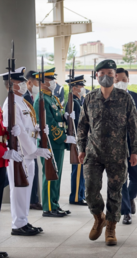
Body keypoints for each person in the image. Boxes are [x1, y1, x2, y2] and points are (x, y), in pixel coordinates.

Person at [77, 59, 137, 246]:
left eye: (110, 74)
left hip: (117, 154)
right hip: (93, 154)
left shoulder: (124, 98)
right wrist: (81, 148)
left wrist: (135, 151)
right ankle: (99, 217)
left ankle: (111, 227)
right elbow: (82, 125)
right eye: (102, 73)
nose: (106, 77)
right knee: (89, 190)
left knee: (115, 193)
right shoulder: (89, 98)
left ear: (115, 76)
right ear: (96, 76)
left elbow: (134, 127)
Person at [2, 66, 51, 235]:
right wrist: (34, 150)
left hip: (28, 151)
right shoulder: (11, 103)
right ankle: (18, 225)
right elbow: (18, 131)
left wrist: (39, 132)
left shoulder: (22, 101)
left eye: (23, 82)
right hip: (20, 152)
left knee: (26, 188)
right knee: (19, 189)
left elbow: (28, 128)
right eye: (19, 82)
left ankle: (23, 221)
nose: (23, 84)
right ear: (11, 85)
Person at [33, 68, 75, 218]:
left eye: (53, 79)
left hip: (57, 145)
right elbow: (48, 124)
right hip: (50, 143)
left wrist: (66, 116)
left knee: (56, 175)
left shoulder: (52, 98)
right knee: (50, 175)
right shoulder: (41, 99)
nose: (53, 82)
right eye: (50, 79)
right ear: (42, 82)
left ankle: (55, 204)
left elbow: (57, 117)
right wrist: (64, 137)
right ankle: (48, 207)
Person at [114, 68, 137, 225]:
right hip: (115, 146)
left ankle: (129, 197)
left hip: (134, 144)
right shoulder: (108, 98)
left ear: (128, 80)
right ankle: (126, 211)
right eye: (116, 80)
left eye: (123, 80)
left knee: (136, 176)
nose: (120, 82)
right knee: (121, 178)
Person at [64, 75, 87, 206]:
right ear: (74, 88)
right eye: (80, 86)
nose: (83, 88)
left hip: (81, 139)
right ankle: (76, 197)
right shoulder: (72, 102)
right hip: (78, 139)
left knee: (81, 169)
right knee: (78, 169)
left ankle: (80, 194)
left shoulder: (78, 101)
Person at [24, 70, 41, 211]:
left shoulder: (31, 97)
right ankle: (31, 200)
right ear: (29, 82)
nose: (39, 85)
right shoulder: (25, 98)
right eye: (37, 82)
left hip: (32, 141)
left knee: (33, 173)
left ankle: (33, 199)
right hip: (26, 144)